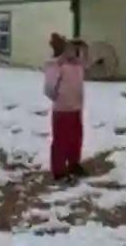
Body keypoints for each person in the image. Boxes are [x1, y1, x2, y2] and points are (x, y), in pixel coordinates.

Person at [43, 33, 87, 180]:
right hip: (62, 109)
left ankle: (74, 164)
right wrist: (60, 97)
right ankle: (59, 171)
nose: (72, 51)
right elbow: (49, 88)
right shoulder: (55, 64)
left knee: (75, 138)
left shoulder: (77, 64)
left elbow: (89, 61)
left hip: (76, 107)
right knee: (61, 141)